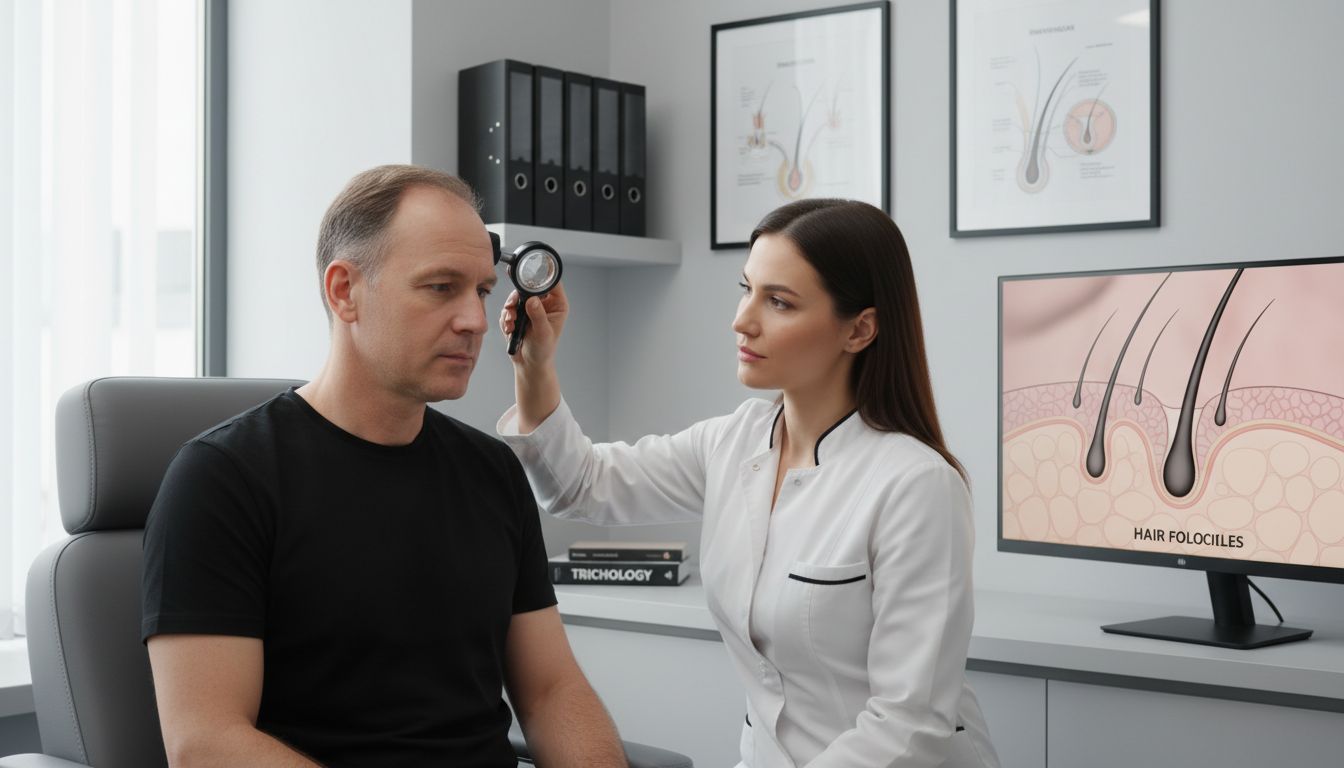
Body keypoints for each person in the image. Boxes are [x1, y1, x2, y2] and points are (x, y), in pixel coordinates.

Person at [141, 165, 627, 767]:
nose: (476, 320)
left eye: (480, 290)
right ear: (344, 291)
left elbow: (552, 690)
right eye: (440, 287)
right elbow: (206, 742)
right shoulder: (221, 480)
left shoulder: (493, 473)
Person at [497, 198, 1001, 768]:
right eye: (747, 289)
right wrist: (534, 365)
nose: (742, 320)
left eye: (779, 301)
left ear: (860, 329)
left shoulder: (916, 486)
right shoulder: (736, 440)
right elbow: (582, 486)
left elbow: (909, 726)